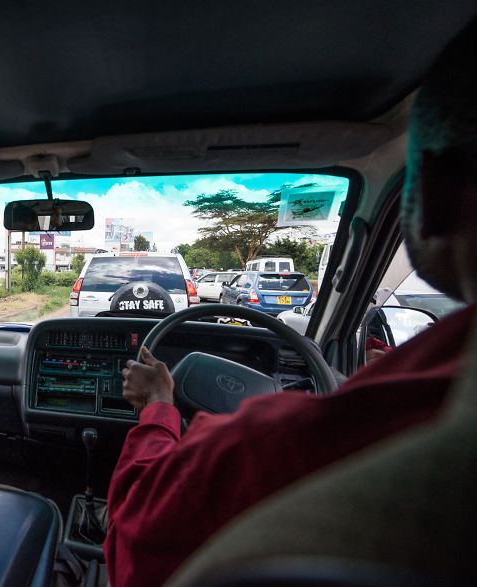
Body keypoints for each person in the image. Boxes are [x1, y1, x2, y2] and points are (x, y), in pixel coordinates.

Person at [104, 19, 477, 587]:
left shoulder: (305, 439)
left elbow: (133, 537)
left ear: (436, 197)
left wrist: (160, 406)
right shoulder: (432, 402)